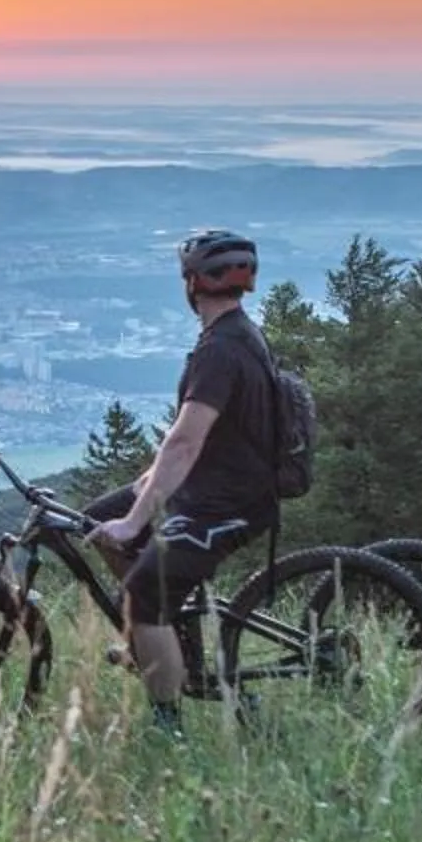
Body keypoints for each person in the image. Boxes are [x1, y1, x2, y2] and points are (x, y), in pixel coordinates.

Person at [85, 228, 282, 734]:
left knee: (145, 595)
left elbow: (186, 440)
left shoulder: (220, 351)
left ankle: (167, 725)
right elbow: (205, 438)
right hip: (215, 484)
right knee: (95, 519)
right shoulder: (238, 334)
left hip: (225, 504)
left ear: (191, 284)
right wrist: (142, 492)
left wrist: (137, 519)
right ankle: (160, 642)